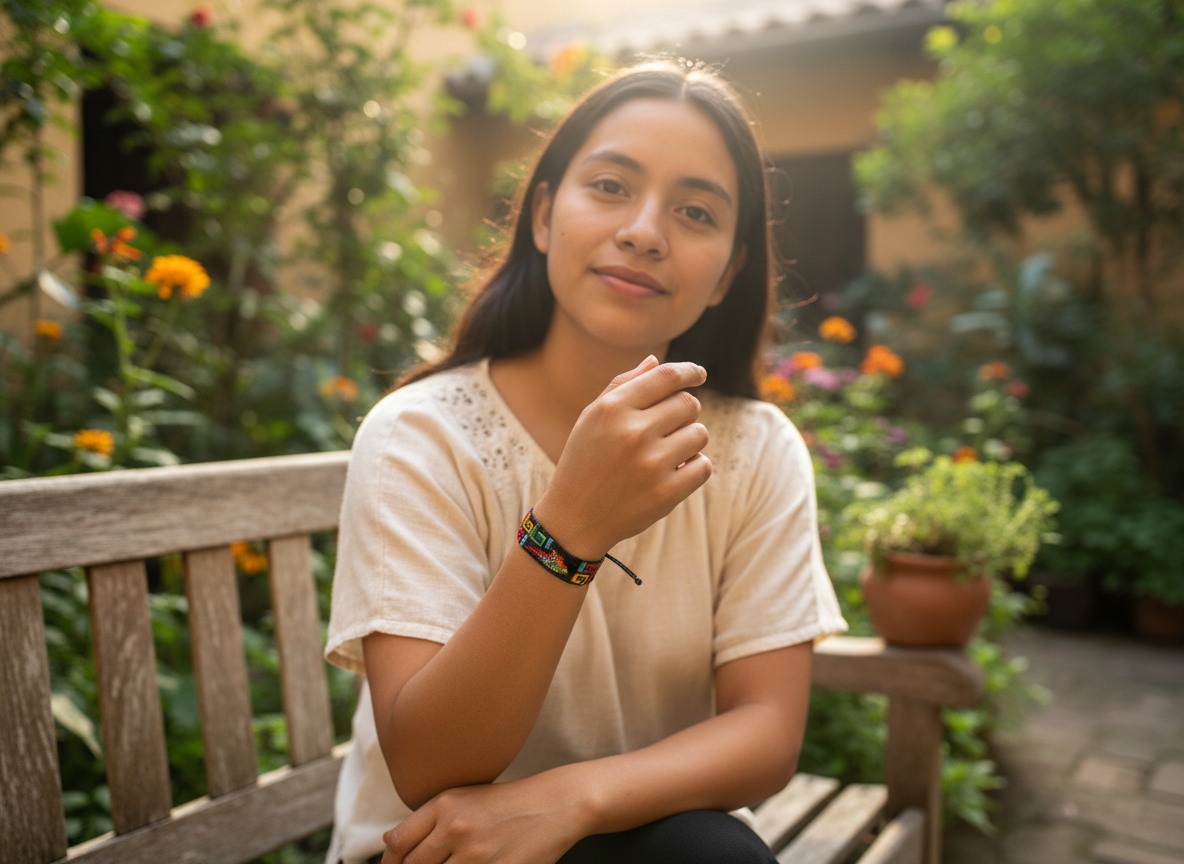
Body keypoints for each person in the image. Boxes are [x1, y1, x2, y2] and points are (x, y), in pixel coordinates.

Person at [324, 60, 847, 864]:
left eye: (696, 211)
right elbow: (429, 764)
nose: (644, 230)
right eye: (609, 186)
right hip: (431, 849)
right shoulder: (422, 437)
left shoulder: (753, 451)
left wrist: (572, 797)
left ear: (728, 274)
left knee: (715, 854)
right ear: (542, 216)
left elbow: (766, 732)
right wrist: (569, 528)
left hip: (635, 835)